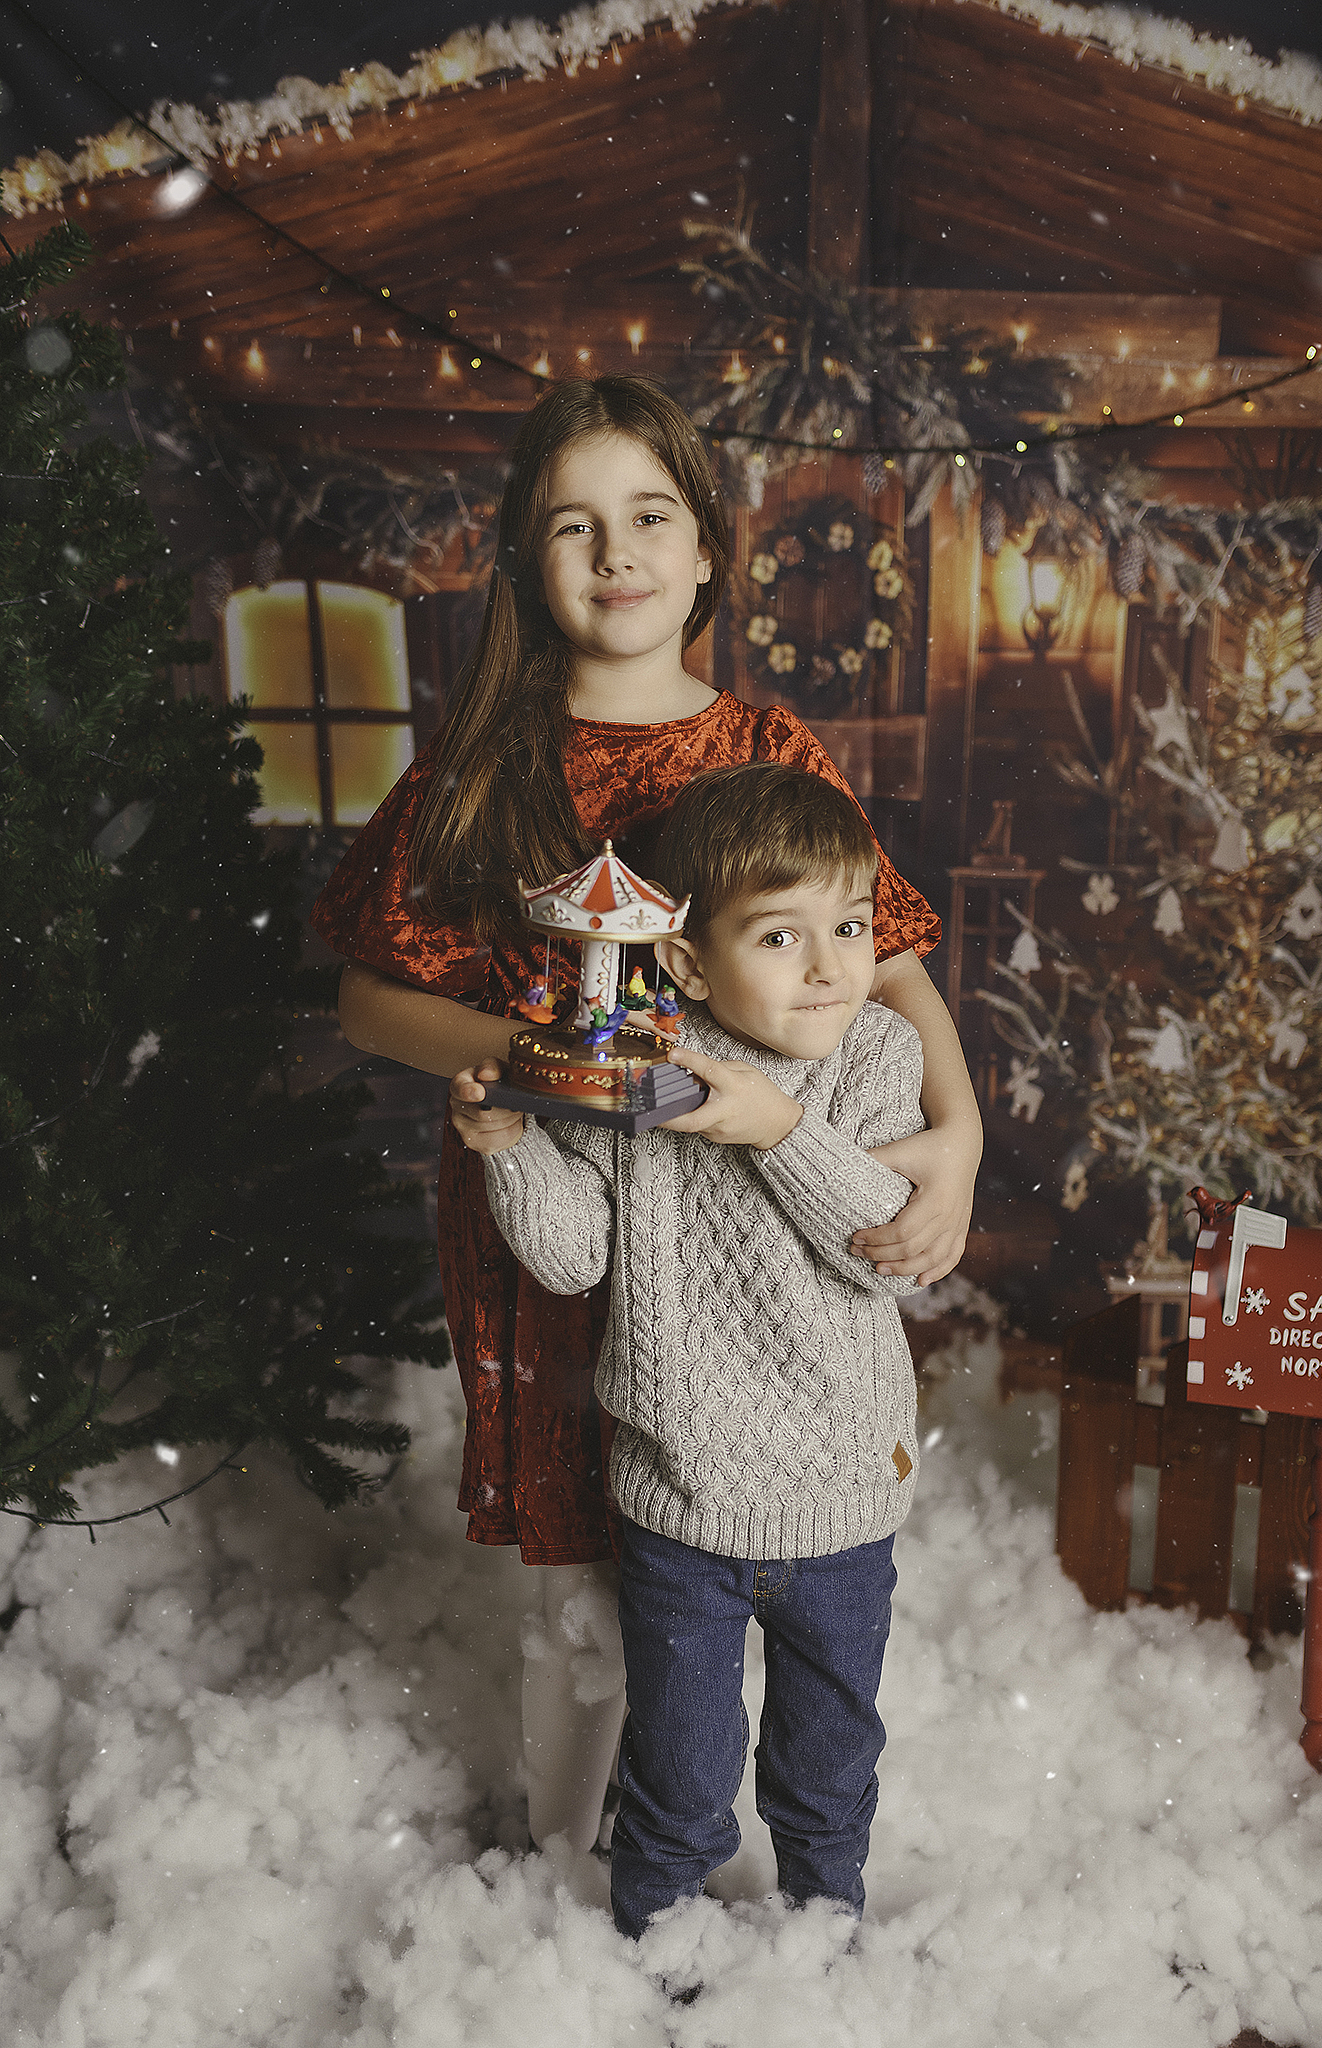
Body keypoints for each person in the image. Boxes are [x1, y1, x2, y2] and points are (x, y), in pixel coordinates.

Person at [311, 375, 980, 1858]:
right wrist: (555, 1061)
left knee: (732, 1514)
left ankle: (729, 1817)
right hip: (543, 1193)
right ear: (525, 557)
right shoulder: (483, 764)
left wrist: (961, 1131)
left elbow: (887, 962)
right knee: (585, 1559)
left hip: (752, 1221)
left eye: (648, 515)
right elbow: (367, 1000)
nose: (614, 552)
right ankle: (575, 1856)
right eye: (573, 524)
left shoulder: (765, 750)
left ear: (705, 550)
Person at [452, 763, 925, 1937]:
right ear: (687, 961)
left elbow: (880, 1250)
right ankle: (654, 1942)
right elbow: (572, 1256)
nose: (827, 964)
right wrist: (510, 1146)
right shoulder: (639, 1061)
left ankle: (822, 1930)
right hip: (679, 1503)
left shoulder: (875, 1054)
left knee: (825, 1758)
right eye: (778, 934)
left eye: (848, 926)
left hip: (837, 1501)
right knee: (678, 1766)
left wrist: (776, 1126)